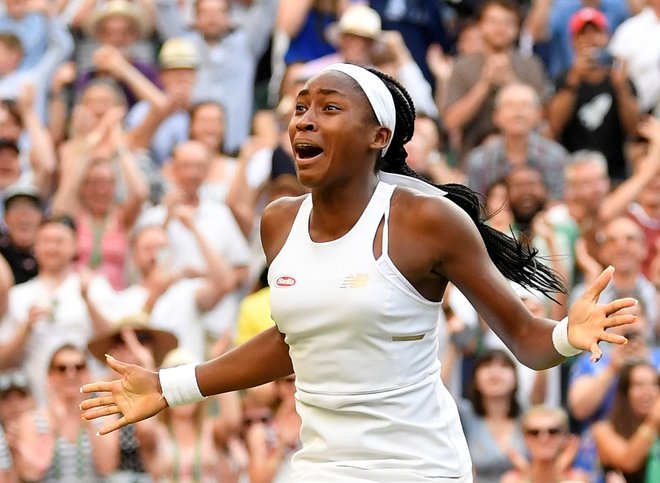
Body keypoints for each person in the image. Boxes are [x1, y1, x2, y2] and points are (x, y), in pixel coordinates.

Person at [82, 63, 637, 482]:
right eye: (300, 108)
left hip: (418, 468)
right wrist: (169, 386)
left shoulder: (428, 221)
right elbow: (293, 341)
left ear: (379, 137)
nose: (304, 120)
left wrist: (569, 334)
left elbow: (527, 341)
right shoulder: (277, 223)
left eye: (328, 108)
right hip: (320, 466)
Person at [592, 360, 660, 483]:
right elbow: (628, 462)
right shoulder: (603, 429)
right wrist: (652, 423)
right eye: (639, 385)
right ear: (625, 391)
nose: (648, 393)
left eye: (654, 385)